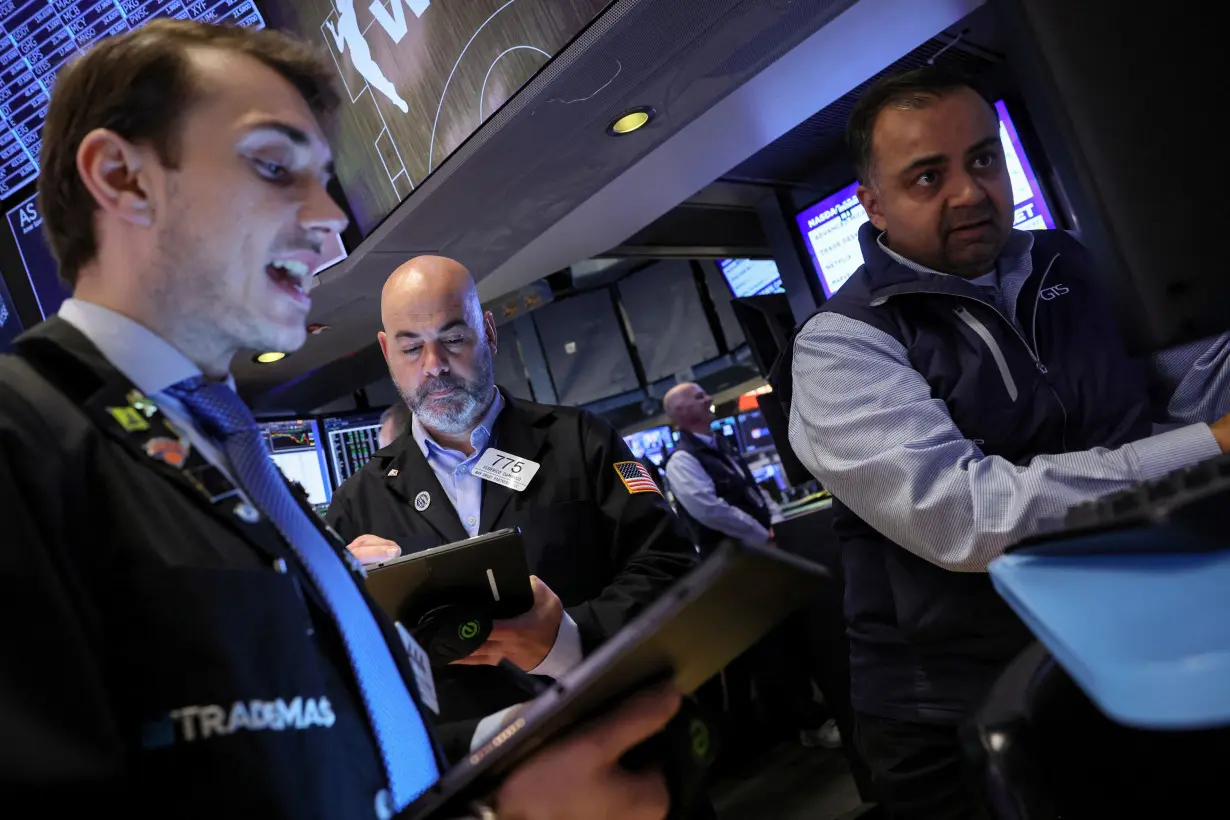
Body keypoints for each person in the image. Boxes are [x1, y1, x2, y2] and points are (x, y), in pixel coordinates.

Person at [0, 20, 680, 819]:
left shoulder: (228, 460)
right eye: (275, 165)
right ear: (123, 176)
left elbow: (325, 761)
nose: (330, 218)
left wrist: (494, 756)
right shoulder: (24, 441)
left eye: (325, 178)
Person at [787, 66, 1230, 819]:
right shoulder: (842, 345)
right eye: (928, 176)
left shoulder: (1078, 261)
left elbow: (1188, 383)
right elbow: (967, 516)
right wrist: (1209, 447)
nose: (969, 192)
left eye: (983, 160)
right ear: (875, 205)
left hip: (1132, 639)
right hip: (952, 701)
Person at [327, 256, 700, 760]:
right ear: (386, 352)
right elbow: (342, 668)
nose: (433, 364)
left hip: (619, 737)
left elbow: (671, 566)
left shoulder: (580, 440)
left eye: (453, 339)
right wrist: (349, 601)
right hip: (480, 775)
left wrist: (568, 640)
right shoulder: (359, 501)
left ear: (488, 332)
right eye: (411, 346)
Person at [662, 382, 774, 554]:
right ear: (680, 410)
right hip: (732, 561)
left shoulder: (722, 446)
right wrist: (760, 535)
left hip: (760, 548)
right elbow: (710, 511)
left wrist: (775, 522)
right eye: (700, 397)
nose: (710, 399)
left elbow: (752, 489)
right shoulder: (681, 460)